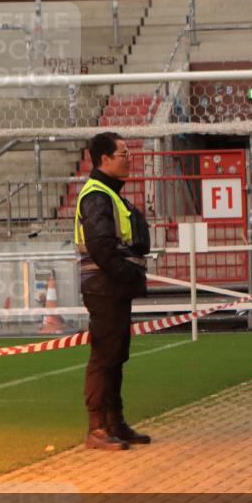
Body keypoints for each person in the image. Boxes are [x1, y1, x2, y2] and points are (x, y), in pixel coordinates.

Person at [74, 132, 152, 451]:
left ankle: (114, 422)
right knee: (105, 357)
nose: (129, 157)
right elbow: (102, 247)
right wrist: (126, 274)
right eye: (123, 153)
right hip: (105, 288)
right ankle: (98, 428)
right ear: (104, 159)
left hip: (113, 287)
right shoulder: (97, 195)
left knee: (116, 355)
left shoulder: (110, 194)